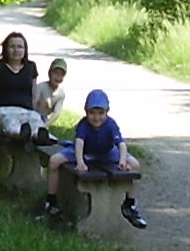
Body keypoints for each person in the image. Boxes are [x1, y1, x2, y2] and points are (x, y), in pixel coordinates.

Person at [37, 88, 146, 228]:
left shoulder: (110, 124)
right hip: (84, 153)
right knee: (54, 161)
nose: (96, 117)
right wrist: (80, 162)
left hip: (107, 153)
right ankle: (51, 201)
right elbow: (79, 144)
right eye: (92, 113)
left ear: (107, 112)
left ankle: (130, 204)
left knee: (135, 165)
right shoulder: (84, 125)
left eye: (101, 113)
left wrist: (122, 161)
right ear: (86, 112)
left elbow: (121, 145)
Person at [0, 31, 44, 138]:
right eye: (12, 47)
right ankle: (19, 134)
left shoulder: (31, 67)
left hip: (26, 110)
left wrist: (33, 109)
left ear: (25, 50)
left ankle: (39, 135)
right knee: (9, 122)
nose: (16, 50)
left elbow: (34, 94)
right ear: (6, 49)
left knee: (35, 120)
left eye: (20, 47)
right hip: (2, 110)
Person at [32, 58, 71, 132]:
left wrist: (45, 125)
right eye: (56, 73)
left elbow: (57, 113)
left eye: (62, 74)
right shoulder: (41, 87)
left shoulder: (61, 94)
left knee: (43, 134)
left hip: (44, 118)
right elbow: (33, 104)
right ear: (50, 73)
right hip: (33, 115)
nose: (58, 76)